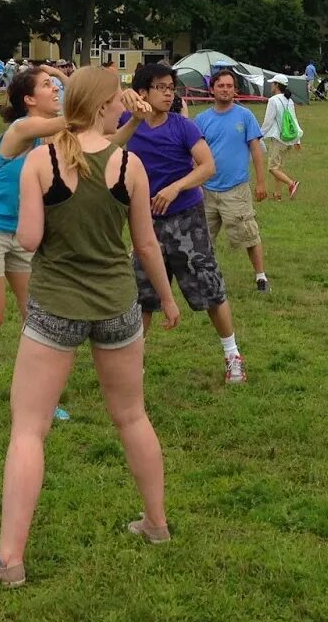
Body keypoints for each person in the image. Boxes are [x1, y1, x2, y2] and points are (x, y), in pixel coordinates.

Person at [0, 67, 180, 587]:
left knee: (29, 429)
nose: (128, 106)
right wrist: (166, 299)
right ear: (105, 105)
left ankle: (9, 561)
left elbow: (28, 240)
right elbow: (145, 244)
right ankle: (156, 524)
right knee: (132, 416)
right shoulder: (130, 164)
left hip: (55, 307)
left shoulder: (43, 159)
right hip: (118, 306)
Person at [0, 66, 149, 433]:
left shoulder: (58, 139)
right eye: (46, 86)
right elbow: (82, 116)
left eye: (57, 86)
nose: (55, 90)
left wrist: (131, 116)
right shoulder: (22, 130)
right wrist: (98, 94)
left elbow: (105, 141)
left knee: (35, 318)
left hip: (27, 235)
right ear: (28, 99)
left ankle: (39, 398)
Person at [124, 63, 245, 383]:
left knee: (209, 288)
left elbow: (207, 167)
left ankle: (232, 355)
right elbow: (95, 118)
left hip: (186, 219)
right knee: (142, 295)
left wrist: (177, 186)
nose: (168, 93)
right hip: (145, 221)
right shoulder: (128, 122)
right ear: (143, 92)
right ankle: (135, 362)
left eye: (171, 87)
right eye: (161, 87)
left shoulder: (183, 126)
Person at [195, 69, 272, 293]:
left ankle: (261, 277)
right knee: (203, 239)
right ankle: (206, 280)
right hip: (207, 190)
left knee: (249, 234)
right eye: (221, 86)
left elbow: (256, 150)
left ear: (235, 89)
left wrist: (260, 182)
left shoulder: (244, 116)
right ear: (212, 89)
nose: (226, 90)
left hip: (235, 190)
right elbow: (194, 154)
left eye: (229, 86)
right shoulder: (201, 120)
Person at [260, 78, 303, 200]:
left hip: (279, 139)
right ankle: (277, 195)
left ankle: (291, 183)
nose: (271, 86)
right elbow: (294, 120)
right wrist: (297, 140)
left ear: (276, 85)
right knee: (278, 168)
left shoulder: (273, 100)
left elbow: (268, 121)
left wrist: (258, 135)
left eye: (272, 84)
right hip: (289, 139)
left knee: (272, 168)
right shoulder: (288, 100)